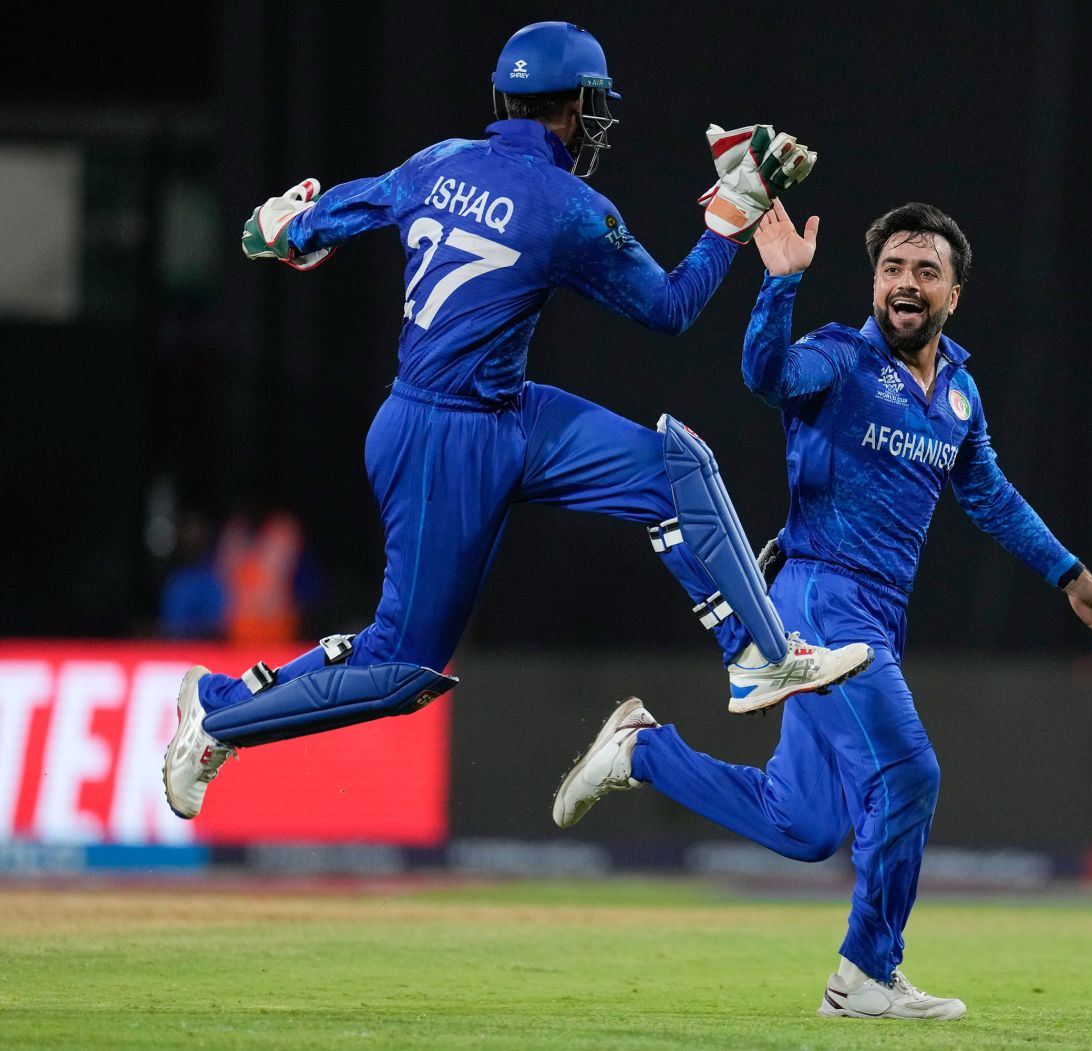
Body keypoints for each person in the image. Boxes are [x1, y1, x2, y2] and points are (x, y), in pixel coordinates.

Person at [161, 21, 872, 821]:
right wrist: (732, 215)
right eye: (594, 105)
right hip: (445, 437)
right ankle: (218, 719)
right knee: (400, 669)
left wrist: (283, 228)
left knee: (673, 468)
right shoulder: (568, 206)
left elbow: (290, 230)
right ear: (575, 107)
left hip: (502, 411)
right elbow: (670, 309)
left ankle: (758, 655)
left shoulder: (439, 162)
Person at [553, 200, 1092, 1021]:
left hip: (875, 613)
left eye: (925, 271)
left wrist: (1069, 575)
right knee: (910, 774)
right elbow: (765, 376)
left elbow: (989, 496)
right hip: (819, 596)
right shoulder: (837, 360)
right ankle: (864, 976)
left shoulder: (957, 392)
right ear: (873, 282)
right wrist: (778, 286)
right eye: (891, 269)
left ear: (956, 294)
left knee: (802, 823)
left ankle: (642, 752)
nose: (905, 284)